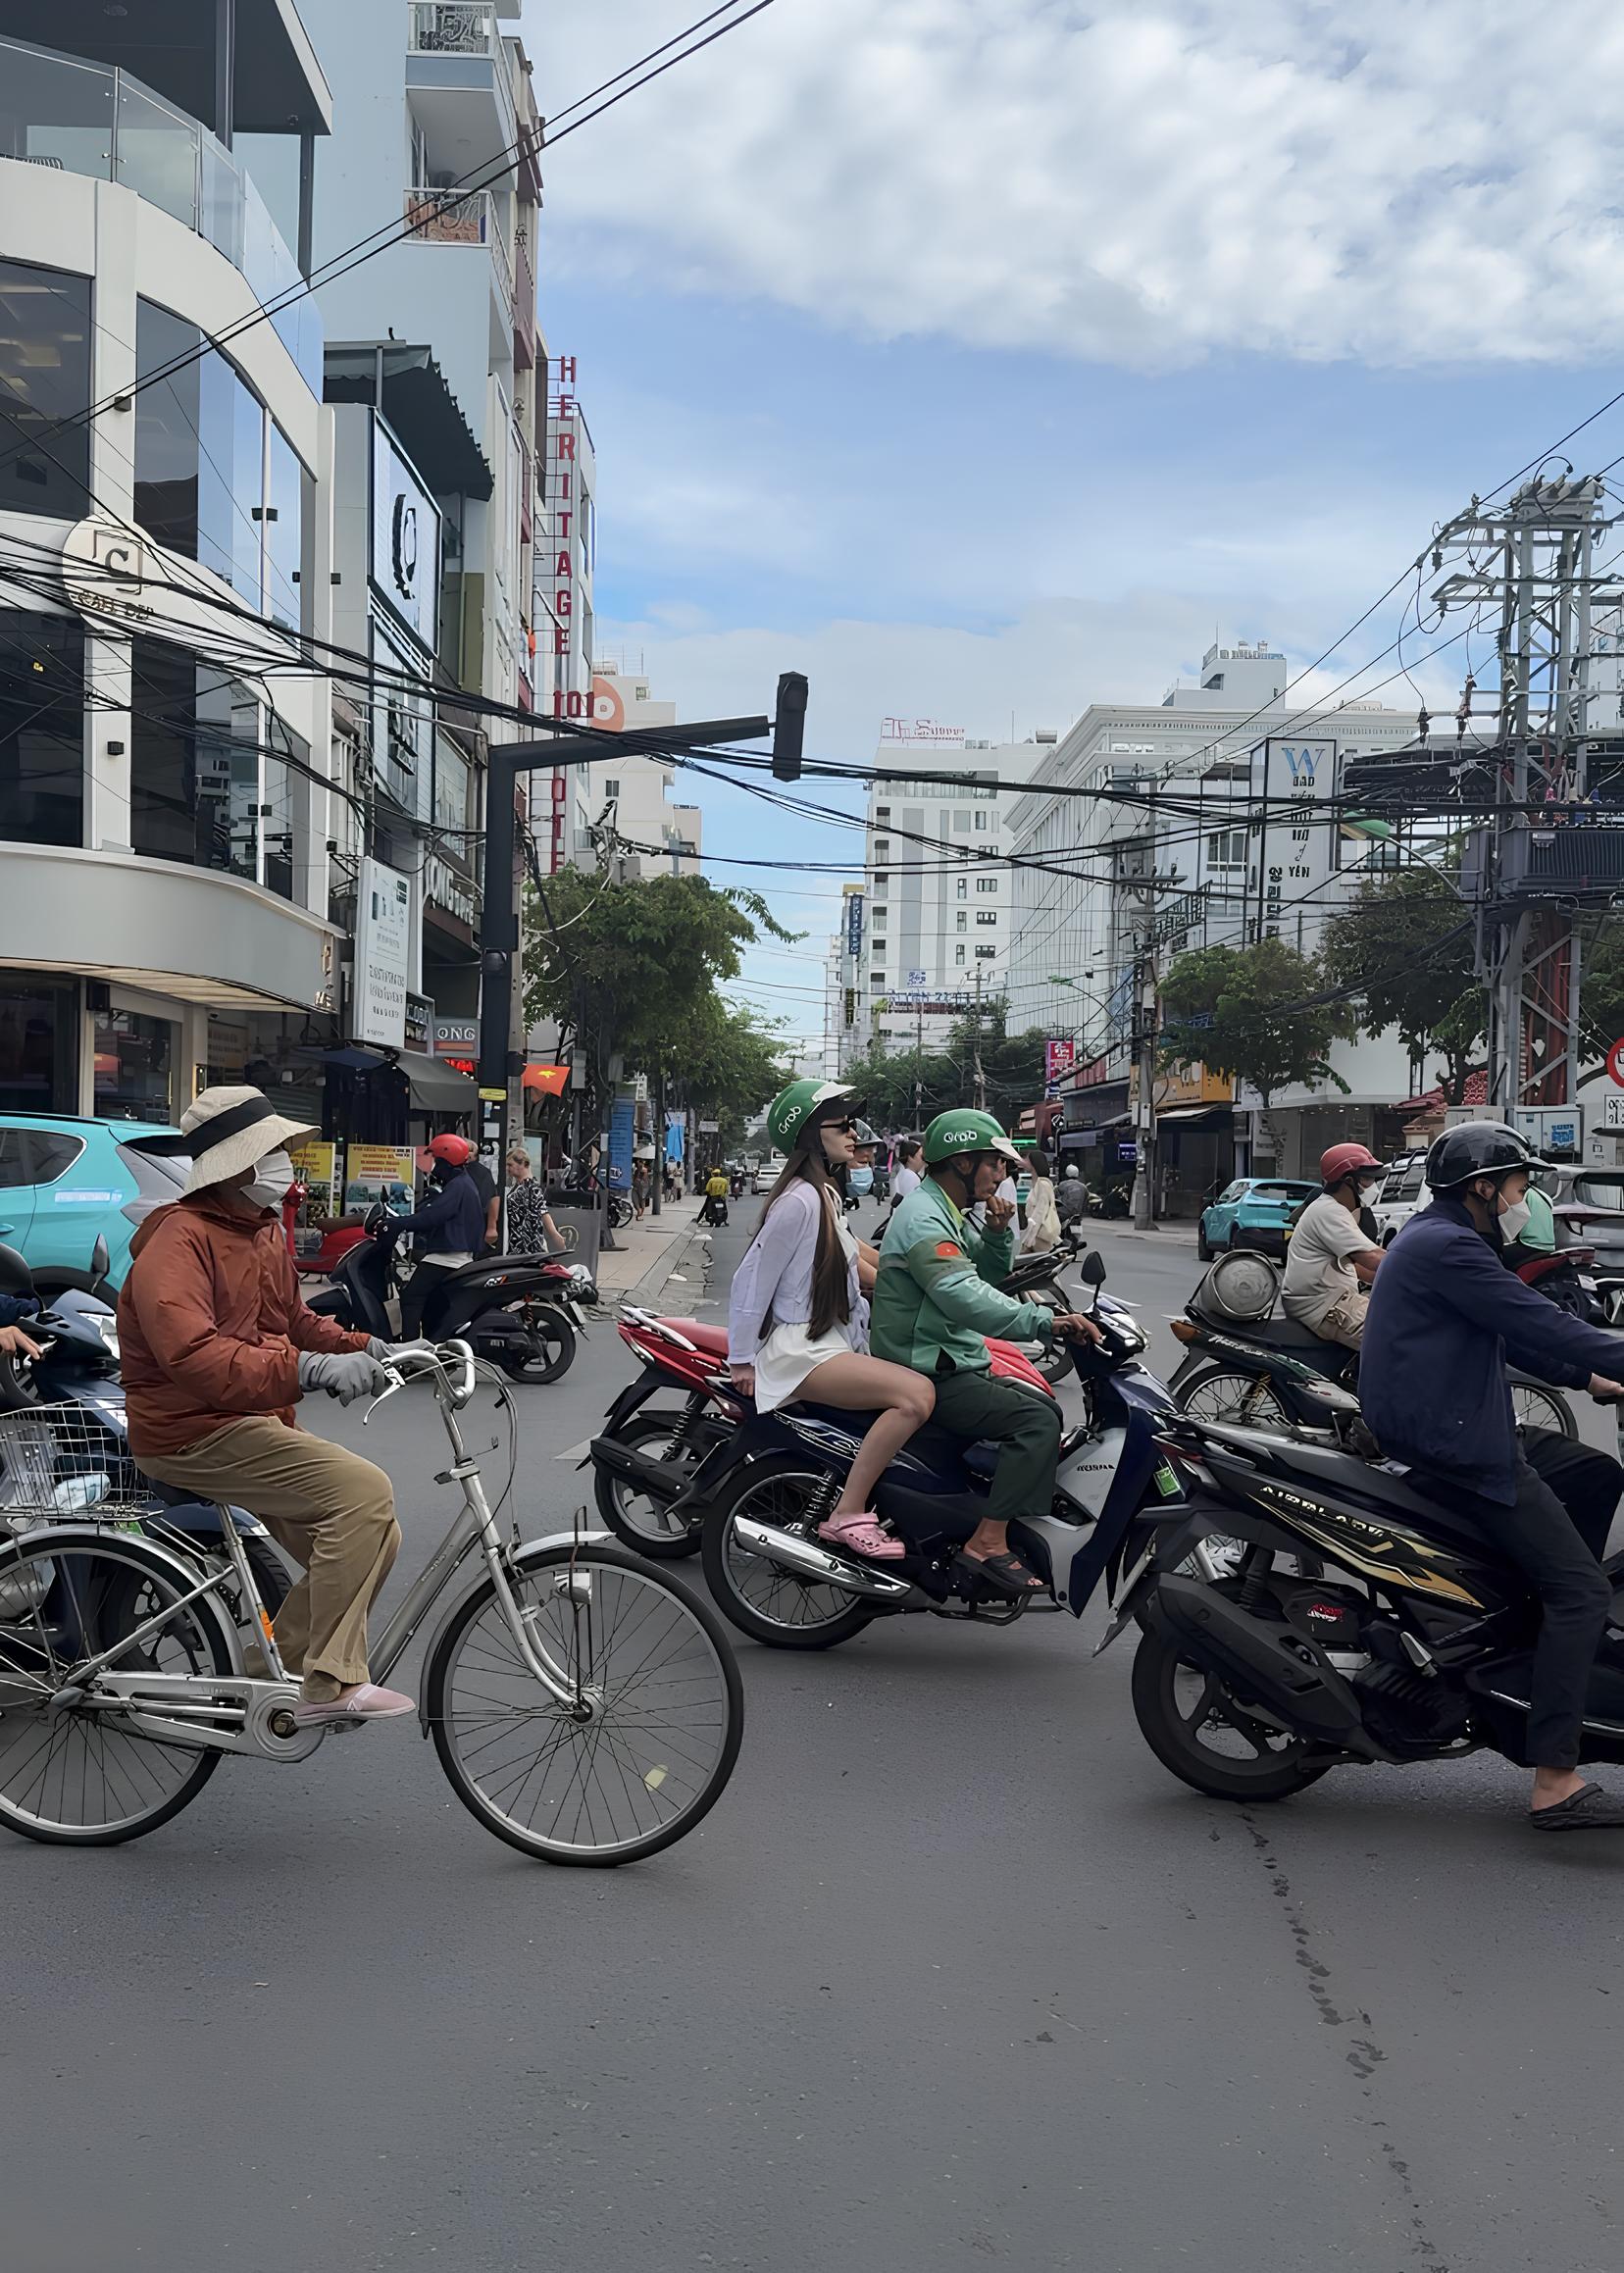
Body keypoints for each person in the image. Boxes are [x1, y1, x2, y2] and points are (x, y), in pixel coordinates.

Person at [1360, 1121, 1624, 1831]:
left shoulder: (1438, 1239)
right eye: (1517, 1184)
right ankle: (1554, 1778)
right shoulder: (1449, 1247)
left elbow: (1509, 1335)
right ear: (1482, 1188)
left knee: (1595, 1474)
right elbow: (1538, 1320)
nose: (1523, 1196)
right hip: (1457, 1442)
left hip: (1453, 1422)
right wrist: (1605, 1357)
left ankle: (1538, 1620)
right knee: (1582, 1590)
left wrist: (1592, 1378)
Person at [119, 1086, 410, 1727]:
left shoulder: (257, 1232)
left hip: (246, 1422)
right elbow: (192, 1357)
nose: (285, 1160)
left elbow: (296, 1319)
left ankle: (263, 1670)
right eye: (274, 1149)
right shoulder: (180, 1242)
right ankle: (327, 1682)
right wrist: (309, 1368)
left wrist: (371, 1346)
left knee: (371, 1535)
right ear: (239, 1164)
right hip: (191, 1431)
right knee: (364, 1495)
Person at [871, 1109, 1100, 1597]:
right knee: (1036, 1424)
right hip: (929, 1367)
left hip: (951, 1357)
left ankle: (979, 1509)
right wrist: (1046, 1321)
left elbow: (986, 1276)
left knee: (1043, 1406)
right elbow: (964, 1296)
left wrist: (998, 1232)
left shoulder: (947, 1210)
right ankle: (988, 1541)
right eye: (995, 1164)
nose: (1003, 1175)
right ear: (962, 1162)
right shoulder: (924, 1218)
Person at [729, 1081, 934, 1561]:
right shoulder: (798, 1201)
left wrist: (932, 1278)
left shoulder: (825, 1196)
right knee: (916, 1396)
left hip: (831, 1340)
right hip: (800, 1349)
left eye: (851, 1124)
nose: (853, 1133)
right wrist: (741, 1359)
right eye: (840, 1125)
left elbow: (866, 1261)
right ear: (808, 1134)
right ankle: (847, 1512)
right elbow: (751, 1279)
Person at [1281, 1142, 1388, 1349]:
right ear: (1349, 1181)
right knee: (1393, 1336)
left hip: (1331, 1299)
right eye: (1367, 1179)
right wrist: (1416, 1267)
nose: (1372, 1187)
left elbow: (1358, 1267)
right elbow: (1372, 1257)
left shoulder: (1335, 1210)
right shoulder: (1329, 1211)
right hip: (1324, 1304)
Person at [389, 1134, 487, 1340]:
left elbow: (433, 1217)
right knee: (431, 1303)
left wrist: (399, 1223)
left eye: (436, 1161)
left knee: (410, 1297)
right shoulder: (461, 1183)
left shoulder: (457, 1186)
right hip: (455, 1254)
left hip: (446, 1257)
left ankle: (409, 1353)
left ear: (447, 1160)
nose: (434, 1166)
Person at [505, 1147, 562, 1254]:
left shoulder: (531, 1187)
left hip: (526, 1244)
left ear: (523, 1164)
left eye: (510, 1165)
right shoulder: (519, 1185)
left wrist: (555, 1235)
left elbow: (543, 1212)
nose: (507, 1168)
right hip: (517, 1241)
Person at [1024, 1148, 1060, 1253]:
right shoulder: (1036, 1184)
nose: (1025, 1162)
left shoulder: (1043, 1185)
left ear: (1033, 1162)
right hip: (1036, 1235)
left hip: (1039, 1237)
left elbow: (1040, 1213)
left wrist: (1030, 1237)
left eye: (1027, 1159)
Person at [889, 1137, 923, 1211]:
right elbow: (912, 1206)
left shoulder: (901, 1172)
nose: (923, 1160)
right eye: (921, 1156)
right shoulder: (911, 1176)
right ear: (910, 1157)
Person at [1056, 1161, 1089, 1226]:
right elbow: (1086, 1201)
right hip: (1078, 1215)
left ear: (1066, 1173)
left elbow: (1056, 1197)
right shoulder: (1083, 1187)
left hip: (1064, 1215)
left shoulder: (1062, 1185)